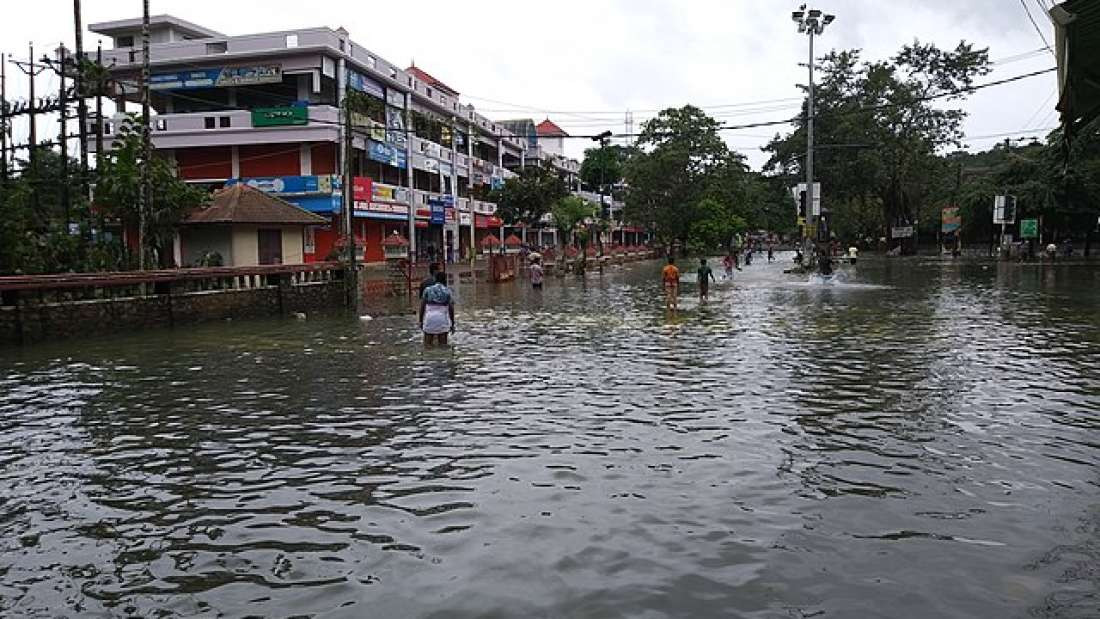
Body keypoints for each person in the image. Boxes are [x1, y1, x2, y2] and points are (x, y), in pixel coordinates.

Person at [420, 271, 455, 347]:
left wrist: (420, 321)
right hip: (442, 319)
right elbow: (451, 309)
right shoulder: (448, 291)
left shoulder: (427, 290)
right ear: (445, 280)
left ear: (435, 279)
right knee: (443, 346)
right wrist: (452, 324)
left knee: (427, 345)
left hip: (429, 319)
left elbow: (422, 306)